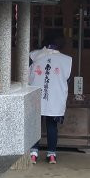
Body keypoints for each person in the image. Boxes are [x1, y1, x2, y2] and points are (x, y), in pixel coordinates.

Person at [28, 32, 72, 164]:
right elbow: (67, 79)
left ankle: (33, 153)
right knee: (52, 126)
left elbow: (26, 76)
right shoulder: (67, 60)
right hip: (54, 97)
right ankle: (52, 154)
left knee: (35, 125)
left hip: (35, 95)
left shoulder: (34, 55)